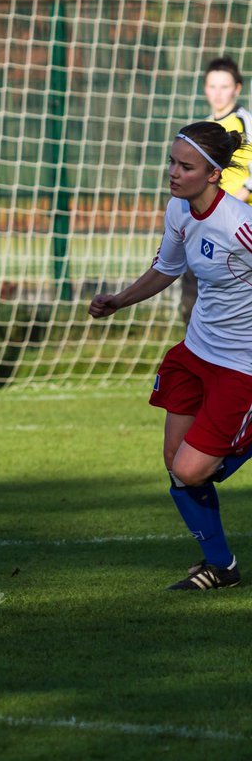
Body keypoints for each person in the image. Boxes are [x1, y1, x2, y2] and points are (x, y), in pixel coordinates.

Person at [88, 121, 252, 590]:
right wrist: (119, 299)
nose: (173, 173)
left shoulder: (241, 227)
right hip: (196, 352)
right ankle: (222, 567)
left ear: (214, 174)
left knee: (191, 469)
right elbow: (167, 267)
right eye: (172, 162)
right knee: (175, 463)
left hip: (241, 366)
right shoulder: (179, 208)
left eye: (186, 166)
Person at [180, 57, 252, 322]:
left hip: (235, 227)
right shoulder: (206, 128)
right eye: (212, 86)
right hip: (206, 225)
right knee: (194, 302)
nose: (218, 93)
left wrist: (228, 204)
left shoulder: (244, 122)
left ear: (237, 89)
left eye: (224, 86)